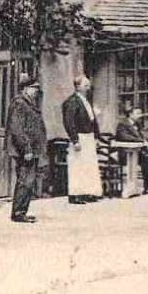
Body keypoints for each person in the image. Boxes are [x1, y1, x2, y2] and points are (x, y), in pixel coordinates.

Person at [5, 77, 48, 223]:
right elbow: (17, 129)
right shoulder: (19, 103)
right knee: (25, 180)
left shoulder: (28, 103)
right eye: (34, 88)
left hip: (31, 149)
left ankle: (22, 211)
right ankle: (18, 212)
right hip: (25, 150)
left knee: (28, 180)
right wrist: (26, 149)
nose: (36, 91)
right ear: (25, 89)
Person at [61, 74, 102, 204]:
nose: (88, 88)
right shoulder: (72, 101)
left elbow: (93, 120)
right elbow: (69, 122)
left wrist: (96, 136)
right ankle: (75, 194)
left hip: (88, 136)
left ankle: (87, 192)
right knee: (77, 166)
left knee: (88, 166)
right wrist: (75, 140)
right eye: (85, 85)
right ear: (78, 87)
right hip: (79, 137)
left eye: (88, 85)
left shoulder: (86, 100)